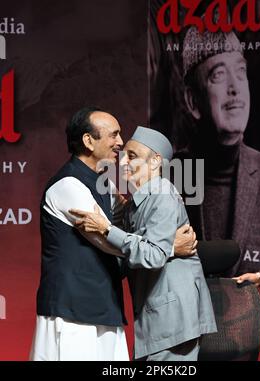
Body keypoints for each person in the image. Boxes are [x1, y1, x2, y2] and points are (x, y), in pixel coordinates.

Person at [30, 107, 196, 361]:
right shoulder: (68, 185)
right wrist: (168, 246)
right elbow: (107, 241)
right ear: (88, 141)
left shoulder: (107, 186)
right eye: (114, 135)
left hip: (104, 306)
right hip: (72, 311)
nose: (119, 142)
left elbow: (126, 228)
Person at [70, 126, 217, 361]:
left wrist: (106, 229)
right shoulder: (134, 205)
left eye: (133, 156)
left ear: (156, 161)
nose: (123, 162)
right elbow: (128, 255)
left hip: (174, 320)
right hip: (156, 319)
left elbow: (153, 255)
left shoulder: (162, 194)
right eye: (123, 155)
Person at [178, 26, 260, 279]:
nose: (234, 88)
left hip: (258, 315)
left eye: (241, 72)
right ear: (192, 100)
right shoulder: (171, 175)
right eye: (219, 75)